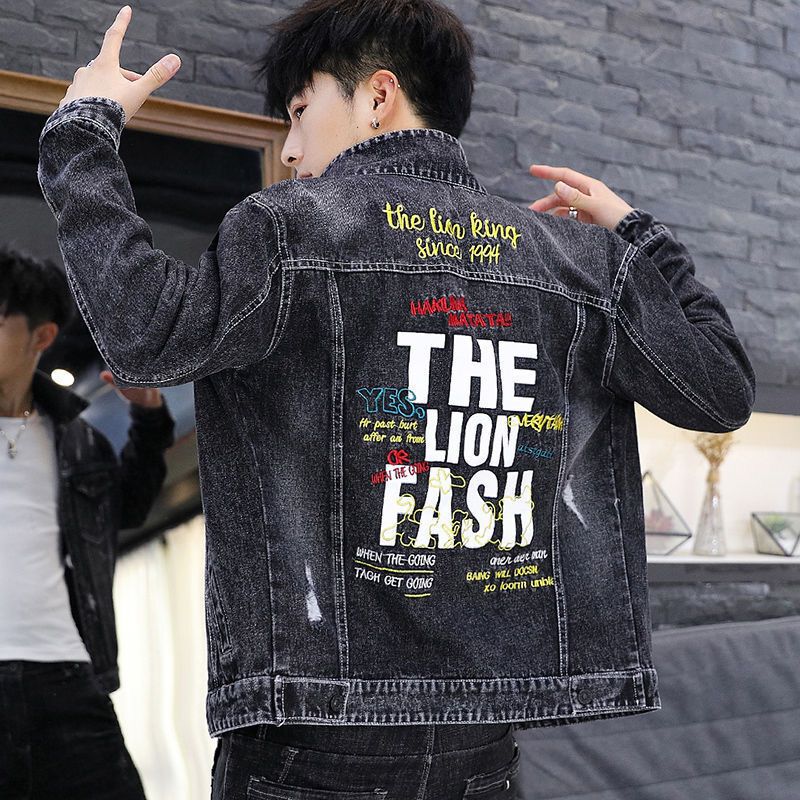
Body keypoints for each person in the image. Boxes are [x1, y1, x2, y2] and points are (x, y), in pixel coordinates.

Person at [37, 2, 756, 798]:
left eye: (301, 111)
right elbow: (721, 390)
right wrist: (638, 235)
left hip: (318, 729)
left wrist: (84, 129)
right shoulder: (580, 260)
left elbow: (145, 333)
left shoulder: (290, 230)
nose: (292, 148)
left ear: (378, 96)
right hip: (488, 741)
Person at [0, 245, 175, 800]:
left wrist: (148, 415)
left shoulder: (77, 441)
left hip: (68, 679)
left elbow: (131, 508)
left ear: (42, 337)